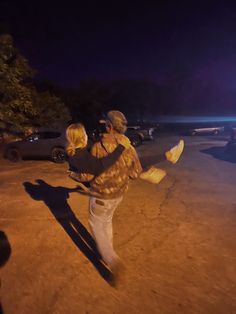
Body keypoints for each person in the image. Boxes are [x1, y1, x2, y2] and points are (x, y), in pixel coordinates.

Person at [66, 123, 131, 181]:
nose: (87, 135)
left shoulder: (74, 151)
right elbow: (101, 166)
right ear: (82, 138)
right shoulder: (80, 156)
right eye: (85, 133)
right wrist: (121, 147)